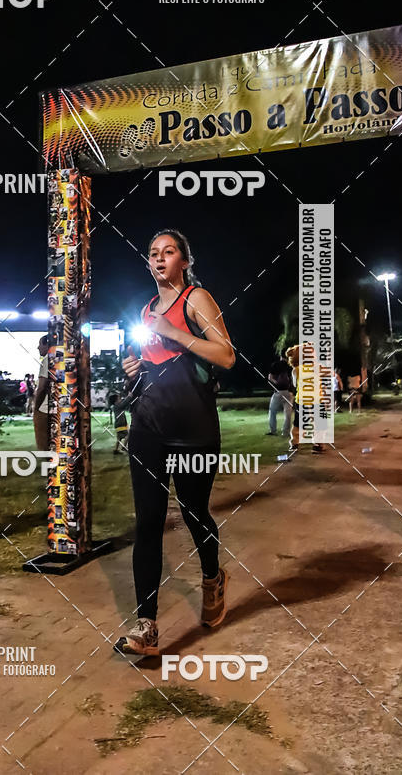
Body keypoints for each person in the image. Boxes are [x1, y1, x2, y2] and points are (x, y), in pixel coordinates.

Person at [114, 230, 235, 656]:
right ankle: (146, 626)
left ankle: (212, 578)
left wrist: (176, 332)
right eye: (153, 253)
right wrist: (134, 368)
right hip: (148, 427)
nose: (160, 258)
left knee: (194, 511)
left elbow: (226, 355)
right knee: (147, 523)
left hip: (194, 430)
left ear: (184, 260)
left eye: (169, 252)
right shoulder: (145, 310)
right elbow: (153, 364)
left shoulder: (196, 299)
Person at [286, 344, 324, 454]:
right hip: (317, 399)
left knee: (298, 424)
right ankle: (317, 445)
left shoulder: (296, 370)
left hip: (302, 400)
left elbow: (294, 384)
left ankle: (294, 443)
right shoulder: (318, 367)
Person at [266, 355, 294, 437]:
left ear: (280, 356)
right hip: (289, 392)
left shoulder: (276, 365)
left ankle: (273, 430)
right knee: (288, 413)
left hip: (278, 392)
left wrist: (276, 383)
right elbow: (293, 380)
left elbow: (270, 377)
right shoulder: (291, 365)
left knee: (272, 411)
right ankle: (286, 432)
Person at [33, 335, 49, 451]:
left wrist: (36, 407)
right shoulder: (63, 358)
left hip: (45, 408)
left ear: (47, 345)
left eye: (40, 344)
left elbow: (42, 387)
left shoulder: (47, 360)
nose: (38, 347)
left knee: (44, 441)